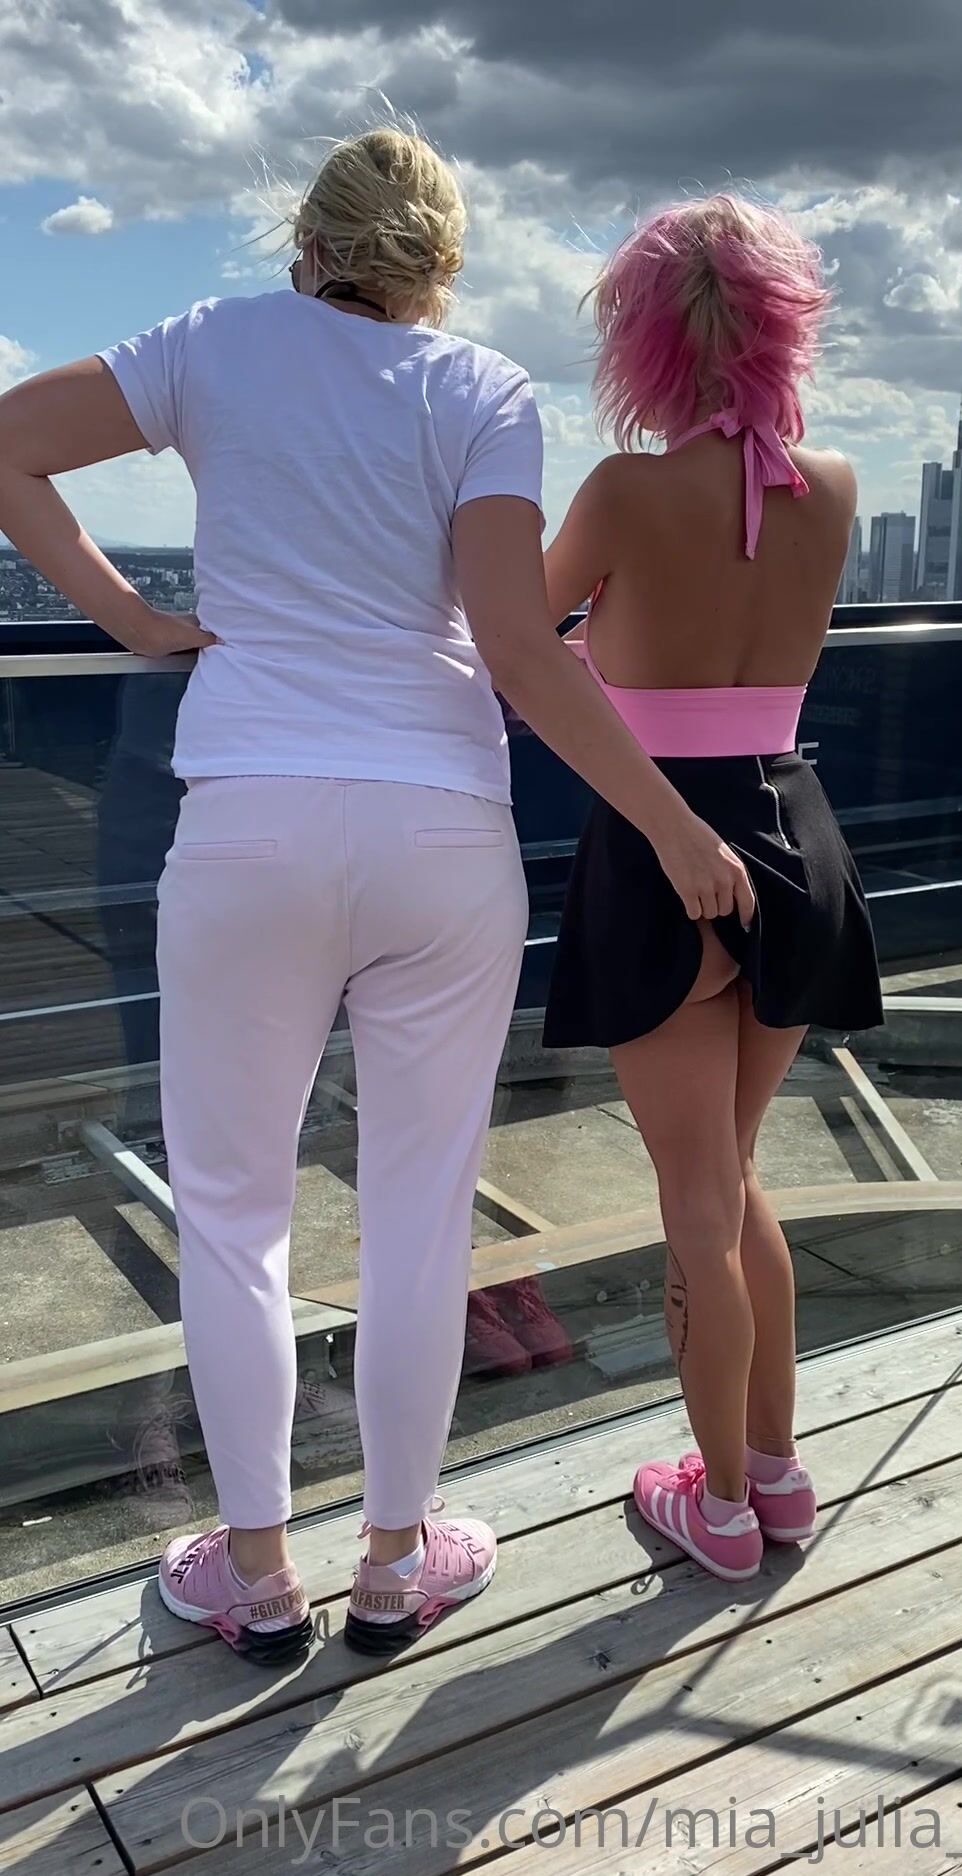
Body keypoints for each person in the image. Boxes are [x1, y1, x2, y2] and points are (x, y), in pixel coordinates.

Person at [0, 126, 755, 1660]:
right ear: (441, 262)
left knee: (233, 1214)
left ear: (311, 241)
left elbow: (8, 446)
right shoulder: (481, 389)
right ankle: (400, 1564)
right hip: (441, 835)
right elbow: (519, 647)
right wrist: (676, 826)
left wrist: (135, 619)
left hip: (251, 827)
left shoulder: (208, 343)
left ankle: (258, 1575)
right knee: (420, 1213)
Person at [543, 194, 883, 1583]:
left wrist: (591, 652)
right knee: (738, 1178)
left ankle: (721, 1510)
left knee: (694, 1192)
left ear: (642, 343)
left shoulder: (624, 492)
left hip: (663, 842)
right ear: (785, 328)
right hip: (798, 828)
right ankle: (779, 1477)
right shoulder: (835, 485)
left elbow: (519, 635)